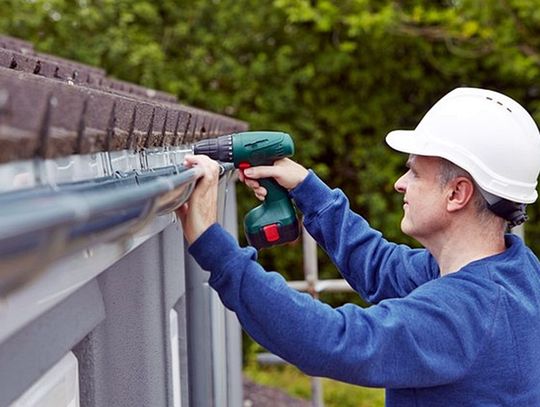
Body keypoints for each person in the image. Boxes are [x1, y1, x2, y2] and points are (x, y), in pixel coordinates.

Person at [177, 87, 540, 406]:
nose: (400, 183)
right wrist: (308, 189)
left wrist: (212, 242)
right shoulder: (515, 272)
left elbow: (329, 339)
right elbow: (382, 268)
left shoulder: (465, 314)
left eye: (414, 172)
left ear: (457, 193)